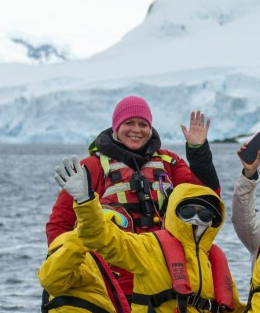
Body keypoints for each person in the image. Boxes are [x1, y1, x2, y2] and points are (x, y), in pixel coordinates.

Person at [54, 156, 245, 313]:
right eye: (188, 211)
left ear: (215, 222)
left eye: (206, 215)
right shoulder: (150, 248)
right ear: (174, 213)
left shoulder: (214, 262)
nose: (197, 219)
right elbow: (102, 238)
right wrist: (86, 202)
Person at [45, 96, 221, 274]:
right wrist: (61, 267)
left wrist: (199, 152)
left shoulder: (169, 162)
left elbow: (207, 199)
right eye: (129, 123)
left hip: (163, 273)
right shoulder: (92, 167)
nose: (136, 130)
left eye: (143, 125)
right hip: (113, 278)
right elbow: (60, 223)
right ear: (117, 126)